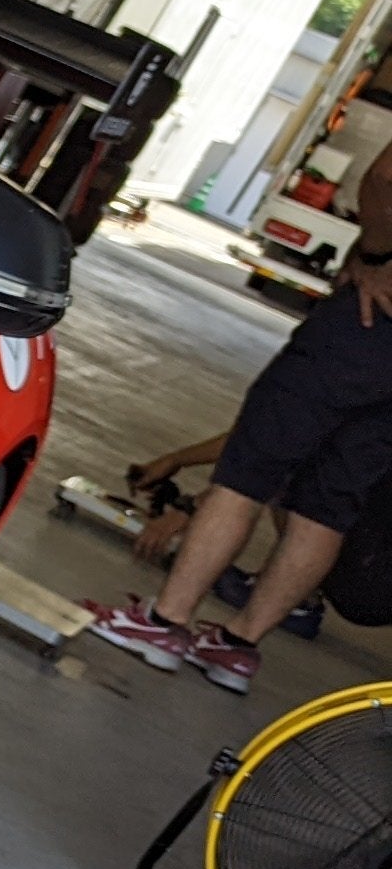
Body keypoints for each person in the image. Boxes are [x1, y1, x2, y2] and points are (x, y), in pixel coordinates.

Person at [94, 144, 392, 691]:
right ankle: (237, 646)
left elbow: (386, 176)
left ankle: (165, 622)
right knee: (328, 505)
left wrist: (375, 257)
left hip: (373, 319)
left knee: (249, 471)